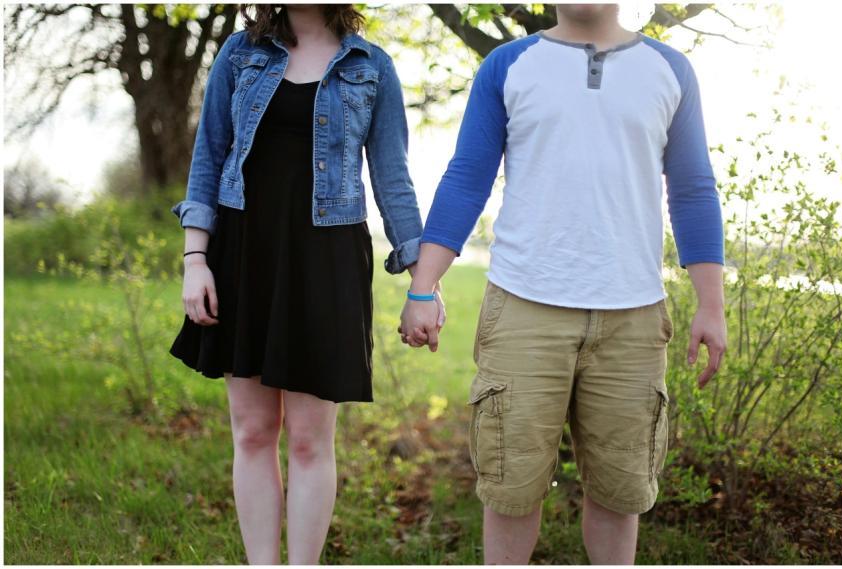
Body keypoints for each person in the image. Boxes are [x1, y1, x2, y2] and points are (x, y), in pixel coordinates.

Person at [400, 3, 727, 565]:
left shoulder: (670, 70)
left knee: (620, 492)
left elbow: (693, 189)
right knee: (510, 487)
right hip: (524, 310)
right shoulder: (508, 64)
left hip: (634, 317)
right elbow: (467, 175)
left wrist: (711, 304)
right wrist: (423, 285)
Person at [168, 4, 436, 564]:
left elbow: (392, 176)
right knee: (253, 432)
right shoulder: (240, 54)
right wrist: (197, 259)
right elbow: (208, 157)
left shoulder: (373, 67)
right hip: (244, 251)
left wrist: (422, 284)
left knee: (312, 439)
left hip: (327, 258)